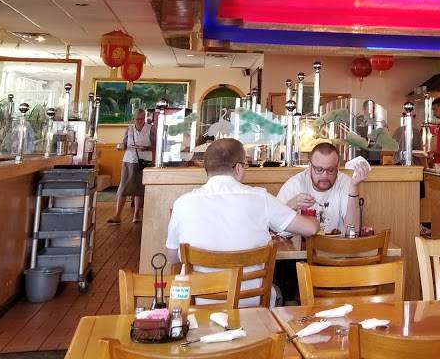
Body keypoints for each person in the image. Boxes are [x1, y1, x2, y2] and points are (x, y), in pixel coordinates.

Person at [165, 138, 317, 305]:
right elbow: (310, 228)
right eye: (245, 166)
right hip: (252, 304)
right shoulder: (260, 198)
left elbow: (172, 258)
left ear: (206, 169)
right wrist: (315, 220)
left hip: (199, 304)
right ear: (238, 168)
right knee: (284, 291)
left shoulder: (182, 203)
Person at [276, 142, 371, 234]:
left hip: (335, 244)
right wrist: (292, 205)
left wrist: (354, 187)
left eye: (330, 170)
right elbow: (273, 226)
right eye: (319, 169)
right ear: (310, 166)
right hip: (303, 244)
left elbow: (353, 231)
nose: (324, 175)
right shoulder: (295, 184)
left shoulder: (345, 183)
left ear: (337, 167)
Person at [108, 108, 154, 224]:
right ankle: (117, 215)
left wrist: (146, 148)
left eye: (142, 119)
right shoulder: (129, 129)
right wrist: (121, 147)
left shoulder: (151, 129)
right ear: (133, 119)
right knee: (123, 188)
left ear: (145, 118)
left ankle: (137, 214)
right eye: (137, 119)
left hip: (144, 161)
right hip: (129, 160)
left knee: (140, 189)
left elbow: (155, 145)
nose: (139, 121)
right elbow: (124, 143)